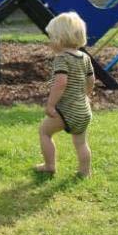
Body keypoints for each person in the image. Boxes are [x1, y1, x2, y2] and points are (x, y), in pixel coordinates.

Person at [36, 11, 94, 178]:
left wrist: (51, 105)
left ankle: (49, 165)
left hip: (67, 110)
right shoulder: (84, 57)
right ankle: (85, 172)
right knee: (81, 142)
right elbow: (91, 80)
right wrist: (86, 95)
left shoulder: (61, 58)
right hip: (83, 110)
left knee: (44, 132)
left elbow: (60, 83)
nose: (49, 41)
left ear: (59, 38)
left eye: (51, 37)